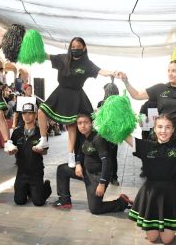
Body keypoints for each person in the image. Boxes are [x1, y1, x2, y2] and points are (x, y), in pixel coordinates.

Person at [117, 60, 176, 187]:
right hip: (160, 133)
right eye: (168, 70)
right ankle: (156, 201)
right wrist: (125, 80)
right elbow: (136, 95)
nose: (170, 73)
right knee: (156, 172)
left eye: (174, 70)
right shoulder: (159, 88)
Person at [34, 37, 116, 168]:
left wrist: (112, 72)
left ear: (84, 48)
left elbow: (100, 71)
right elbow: (46, 56)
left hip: (76, 94)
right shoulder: (63, 58)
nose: (75, 50)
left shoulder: (87, 63)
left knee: (71, 126)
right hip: (60, 92)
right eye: (73, 47)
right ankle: (43, 139)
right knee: (41, 111)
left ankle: (71, 156)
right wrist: (34, 50)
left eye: (78, 48)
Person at [124, 114, 176, 244]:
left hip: (171, 193)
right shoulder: (145, 145)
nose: (163, 131)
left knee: (166, 240)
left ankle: (171, 228)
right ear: (154, 129)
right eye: (160, 127)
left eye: (168, 127)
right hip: (150, 193)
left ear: (173, 130)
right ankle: (161, 227)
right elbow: (123, 135)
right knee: (152, 239)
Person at [52, 114, 131, 212]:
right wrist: (77, 164)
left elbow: (107, 162)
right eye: (79, 123)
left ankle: (121, 202)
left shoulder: (98, 138)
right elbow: (80, 153)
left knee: (95, 209)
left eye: (85, 122)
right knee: (62, 169)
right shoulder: (82, 136)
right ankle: (65, 200)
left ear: (92, 124)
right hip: (86, 172)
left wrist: (102, 183)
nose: (82, 126)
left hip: (98, 176)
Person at [9, 103, 51, 206]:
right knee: (19, 201)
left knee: (38, 202)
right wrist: (11, 151)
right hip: (22, 172)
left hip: (36, 172)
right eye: (24, 113)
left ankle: (46, 186)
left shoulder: (41, 133)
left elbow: (45, 151)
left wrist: (40, 151)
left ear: (35, 115)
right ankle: (28, 189)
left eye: (30, 113)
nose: (27, 116)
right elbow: (12, 149)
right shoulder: (16, 132)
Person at [97, 81, 120, 186]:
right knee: (112, 156)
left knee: (104, 156)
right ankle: (113, 177)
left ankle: (105, 177)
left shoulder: (101, 103)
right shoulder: (119, 103)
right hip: (114, 134)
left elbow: (97, 119)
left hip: (103, 133)